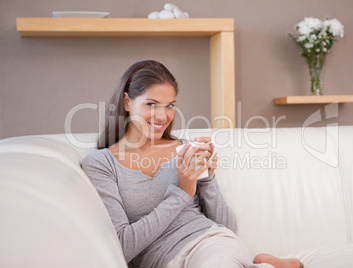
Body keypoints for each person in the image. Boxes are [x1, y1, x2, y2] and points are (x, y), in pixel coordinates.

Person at [82, 60, 303, 268]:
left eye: (170, 105)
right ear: (127, 102)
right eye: (151, 104)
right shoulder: (101, 163)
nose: (162, 115)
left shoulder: (185, 150)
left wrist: (207, 178)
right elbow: (122, 246)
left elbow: (228, 229)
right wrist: (182, 192)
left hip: (209, 243)